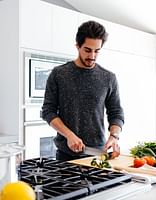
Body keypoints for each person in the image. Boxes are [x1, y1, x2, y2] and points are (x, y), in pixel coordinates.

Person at [41, 20, 124, 161]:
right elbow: (48, 111)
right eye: (87, 50)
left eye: (97, 51)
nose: (92, 56)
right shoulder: (59, 74)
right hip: (65, 155)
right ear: (77, 46)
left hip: (98, 154)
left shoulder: (109, 78)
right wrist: (69, 135)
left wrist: (114, 136)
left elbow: (116, 113)